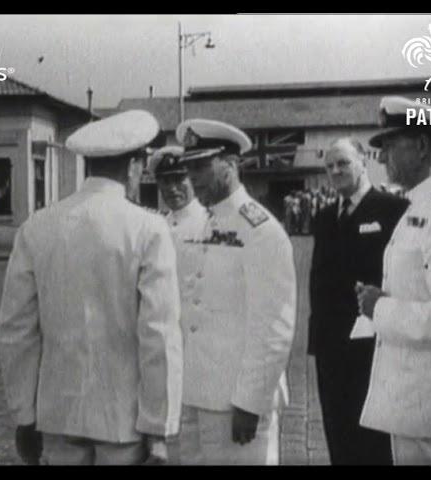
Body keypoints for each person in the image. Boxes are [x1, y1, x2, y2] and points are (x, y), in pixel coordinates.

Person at [0, 110, 183, 466]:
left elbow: (16, 330)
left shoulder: (37, 227)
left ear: (88, 165)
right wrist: (158, 429)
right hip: (122, 421)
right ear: (133, 165)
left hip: (57, 415)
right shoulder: (148, 229)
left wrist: (24, 414)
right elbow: (158, 334)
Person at [168, 118, 296, 465]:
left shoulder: (261, 230)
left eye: (202, 166)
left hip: (234, 401)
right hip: (195, 394)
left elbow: (273, 326)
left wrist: (251, 401)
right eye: (189, 167)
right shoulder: (201, 224)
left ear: (231, 163)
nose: (193, 177)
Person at [356, 96, 431, 465]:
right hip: (417, 404)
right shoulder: (420, 206)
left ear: (420, 146)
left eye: (389, 145)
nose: (382, 158)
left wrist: (379, 308)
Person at [307, 137, 409, 465]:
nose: (335, 171)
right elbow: (319, 283)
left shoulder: (393, 210)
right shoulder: (323, 217)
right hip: (331, 347)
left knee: (373, 440)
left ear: (363, 161)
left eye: (344, 163)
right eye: (330, 166)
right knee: (338, 434)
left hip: (373, 346)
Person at [149, 145, 208, 242]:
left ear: (193, 180)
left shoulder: (207, 222)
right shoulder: (158, 224)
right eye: (165, 181)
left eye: (178, 179)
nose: (172, 188)